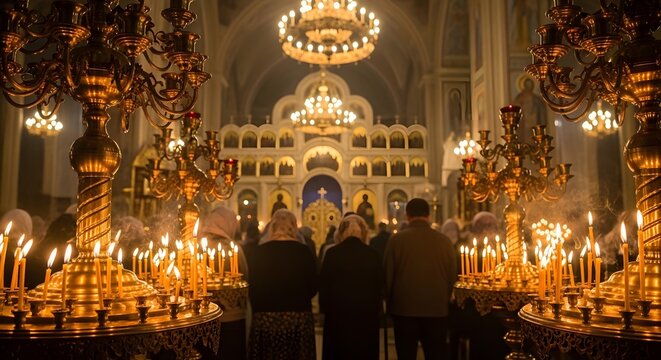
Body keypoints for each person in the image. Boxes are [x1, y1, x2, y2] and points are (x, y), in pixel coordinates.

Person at [384, 198, 457, 360]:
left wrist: (389, 306)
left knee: (406, 354)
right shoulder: (444, 241)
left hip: (404, 310)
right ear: (429, 215)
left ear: (407, 215)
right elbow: (453, 277)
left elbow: (388, 277)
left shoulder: (396, 240)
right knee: (435, 354)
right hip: (437, 310)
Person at [248, 209, 317, 359]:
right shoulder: (303, 251)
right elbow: (313, 287)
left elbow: (252, 286)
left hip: (265, 317)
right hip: (298, 316)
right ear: (293, 227)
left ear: (272, 226)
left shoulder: (259, 252)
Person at [319, 215, 382, 360]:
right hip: (366, 314)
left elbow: (324, 284)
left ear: (341, 233)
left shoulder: (332, 253)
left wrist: (324, 311)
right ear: (364, 232)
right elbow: (380, 284)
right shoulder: (372, 254)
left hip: (338, 314)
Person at [201, 206, 249, 360]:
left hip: (202, 316)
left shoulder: (196, 244)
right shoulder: (231, 247)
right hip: (231, 316)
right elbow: (245, 277)